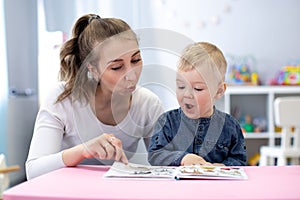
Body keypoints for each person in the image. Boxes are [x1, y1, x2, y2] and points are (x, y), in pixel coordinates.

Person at [26, 14, 163, 180]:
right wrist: (84, 150)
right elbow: (33, 171)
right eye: (117, 67)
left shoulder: (148, 104)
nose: (131, 75)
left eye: (136, 60)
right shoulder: (63, 99)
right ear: (93, 69)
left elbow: (164, 164)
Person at [148, 42, 247, 166]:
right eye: (181, 86)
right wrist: (182, 158)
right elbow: (155, 155)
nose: (187, 94)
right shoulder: (167, 122)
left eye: (198, 89)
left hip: (216, 185)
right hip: (178, 185)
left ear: (219, 91)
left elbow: (239, 159)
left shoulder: (231, 126)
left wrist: (224, 166)